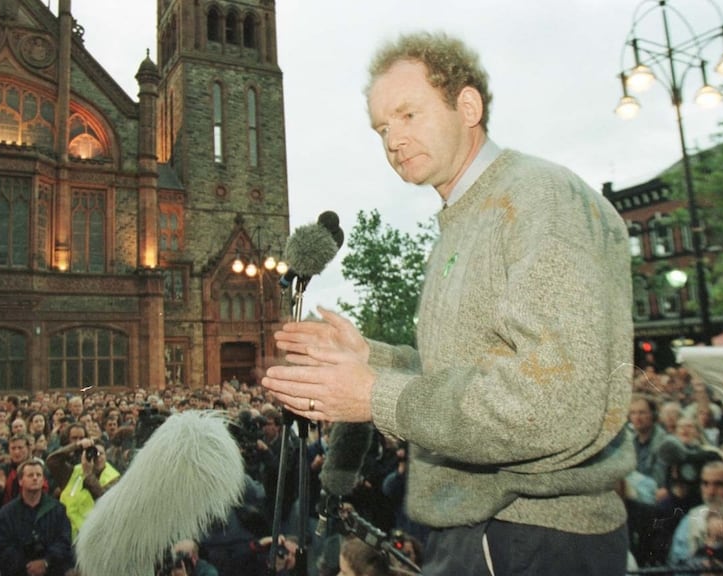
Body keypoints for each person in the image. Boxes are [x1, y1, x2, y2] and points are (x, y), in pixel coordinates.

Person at [261, 31, 635, 575]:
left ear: (468, 105)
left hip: (526, 537)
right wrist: (372, 361)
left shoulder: (539, 201)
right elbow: (466, 376)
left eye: (408, 115)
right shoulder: (465, 219)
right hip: (484, 535)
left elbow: (555, 400)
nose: (393, 139)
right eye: (382, 128)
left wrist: (376, 397)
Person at [0, 459, 73, 576]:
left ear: (43, 480)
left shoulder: (57, 510)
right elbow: (2, 548)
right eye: (30, 475)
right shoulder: (5, 515)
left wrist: (46, 562)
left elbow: (64, 541)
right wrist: (26, 566)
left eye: (38, 475)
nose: (35, 478)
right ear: (20, 481)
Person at [47, 437, 120, 541]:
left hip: (95, 539)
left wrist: (88, 475)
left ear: (106, 456)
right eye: (94, 453)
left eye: (101, 454)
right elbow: (52, 461)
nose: (97, 457)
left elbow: (104, 501)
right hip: (67, 539)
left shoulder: (114, 478)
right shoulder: (73, 473)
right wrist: (77, 445)